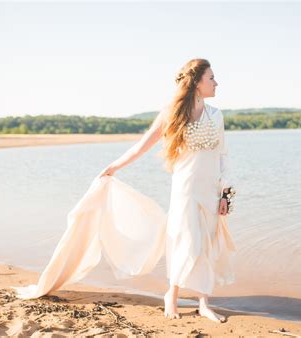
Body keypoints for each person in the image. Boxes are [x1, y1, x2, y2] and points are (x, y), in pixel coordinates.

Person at [98, 58, 237, 323]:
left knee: (206, 246)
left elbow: (223, 156)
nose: (216, 82)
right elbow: (142, 146)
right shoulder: (172, 114)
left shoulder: (216, 115)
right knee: (185, 241)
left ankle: (204, 303)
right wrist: (113, 167)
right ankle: (171, 296)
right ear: (197, 83)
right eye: (211, 78)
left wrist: (226, 193)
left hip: (211, 191)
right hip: (185, 190)